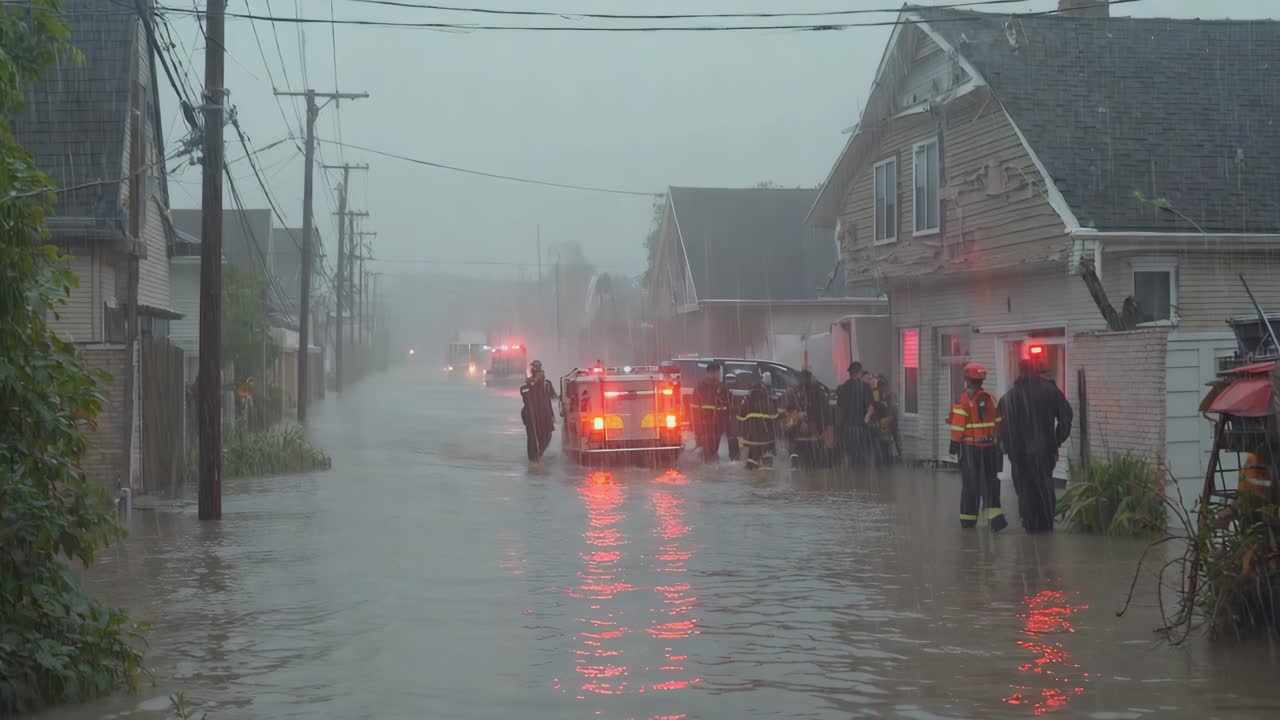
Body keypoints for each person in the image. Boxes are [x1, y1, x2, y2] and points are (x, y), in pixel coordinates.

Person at [998, 355, 1073, 533]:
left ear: (1020, 371)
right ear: (1036, 370)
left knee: (1024, 490)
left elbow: (1001, 429)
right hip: (1044, 452)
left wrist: (1010, 449)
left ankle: (1030, 527)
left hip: (1020, 455)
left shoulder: (1008, 398)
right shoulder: (1050, 391)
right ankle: (1046, 527)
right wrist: (1055, 440)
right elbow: (1066, 417)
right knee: (1045, 487)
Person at [949, 363, 1007, 531]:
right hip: (989, 448)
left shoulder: (962, 400)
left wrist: (954, 444)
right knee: (990, 484)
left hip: (970, 449)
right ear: (982, 380)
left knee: (970, 485)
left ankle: (968, 523)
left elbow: (958, 426)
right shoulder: (991, 399)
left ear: (967, 379)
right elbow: (998, 423)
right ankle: (995, 520)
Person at [735, 373, 779, 469]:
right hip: (767, 439)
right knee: (767, 464)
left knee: (751, 462)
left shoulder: (746, 400)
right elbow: (775, 417)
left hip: (751, 438)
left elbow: (740, 417)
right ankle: (767, 478)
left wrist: (741, 435)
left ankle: (753, 474)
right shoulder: (768, 400)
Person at [836, 362, 875, 467]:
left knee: (849, 456)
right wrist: (867, 416)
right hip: (860, 428)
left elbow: (838, 409)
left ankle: (850, 478)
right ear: (859, 373)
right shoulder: (865, 387)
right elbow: (870, 407)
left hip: (847, 429)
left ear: (850, 373)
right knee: (861, 458)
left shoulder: (842, 388)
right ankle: (860, 479)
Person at [692, 362, 730, 462]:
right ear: (712, 372)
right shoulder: (701, 385)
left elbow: (726, 404)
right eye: (716, 372)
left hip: (715, 422)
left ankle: (712, 460)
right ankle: (709, 462)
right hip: (706, 422)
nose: (717, 374)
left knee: (714, 444)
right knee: (707, 445)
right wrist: (697, 423)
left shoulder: (721, 386)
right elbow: (694, 406)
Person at [520, 365, 557, 461]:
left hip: (545, 415)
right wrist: (530, 384)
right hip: (532, 417)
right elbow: (525, 397)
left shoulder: (547, 385)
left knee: (547, 436)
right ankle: (533, 459)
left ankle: (538, 454)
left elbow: (554, 398)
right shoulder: (525, 388)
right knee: (532, 439)